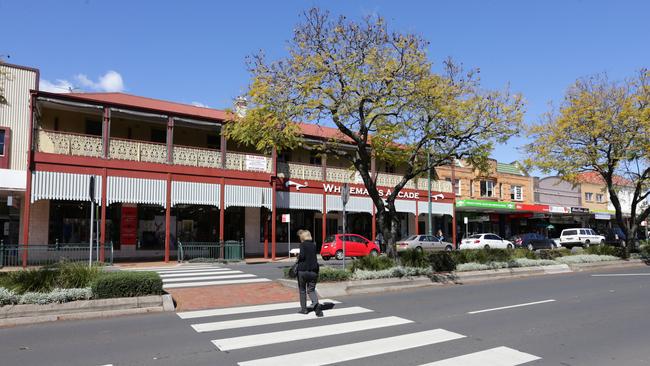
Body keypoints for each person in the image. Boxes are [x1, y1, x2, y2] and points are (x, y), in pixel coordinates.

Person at [295, 229, 323, 317]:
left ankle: (304, 309)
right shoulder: (314, 245)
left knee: (302, 290)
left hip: (303, 271)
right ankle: (316, 304)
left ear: (302, 237)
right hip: (314, 271)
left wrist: (297, 256)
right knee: (311, 290)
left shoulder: (302, 245)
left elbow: (302, 256)